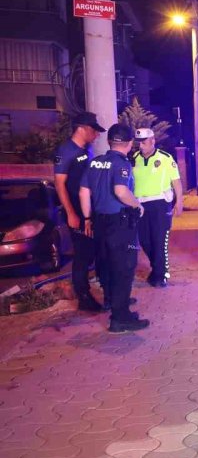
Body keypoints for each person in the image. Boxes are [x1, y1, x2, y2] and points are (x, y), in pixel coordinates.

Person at [79, 124, 149, 333]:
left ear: (110, 141)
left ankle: (112, 302)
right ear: (129, 144)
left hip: (99, 221)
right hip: (119, 223)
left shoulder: (95, 163)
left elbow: (84, 192)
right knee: (124, 269)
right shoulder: (122, 164)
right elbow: (120, 191)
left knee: (107, 265)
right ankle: (120, 318)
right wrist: (137, 204)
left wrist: (87, 218)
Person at [54, 112, 107, 311]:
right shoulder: (66, 150)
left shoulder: (88, 149)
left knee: (98, 250)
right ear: (82, 128)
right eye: (94, 130)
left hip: (90, 210)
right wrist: (71, 213)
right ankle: (83, 297)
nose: (97, 134)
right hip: (76, 210)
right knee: (83, 254)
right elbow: (60, 184)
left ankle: (108, 292)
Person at [131, 128, 184, 288]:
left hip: (160, 203)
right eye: (139, 142)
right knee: (145, 240)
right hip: (140, 205)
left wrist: (179, 201)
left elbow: (176, 181)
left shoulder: (165, 158)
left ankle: (160, 275)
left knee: (159, 240)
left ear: (153, 141)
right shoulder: (134, 158)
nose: (141, 146)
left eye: (144, 142)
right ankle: (157, 268)